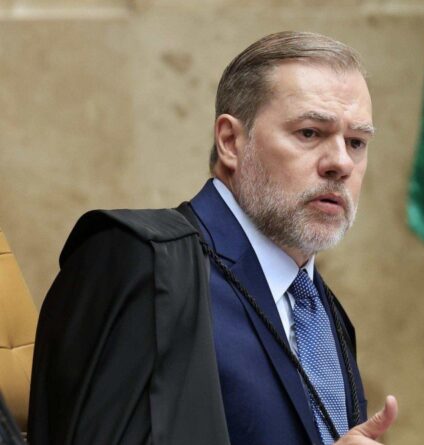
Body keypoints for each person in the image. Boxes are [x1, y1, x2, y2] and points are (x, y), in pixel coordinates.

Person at [28, 31, 397, 445]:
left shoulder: (322, 310)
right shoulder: (144, 261)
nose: (341, 163)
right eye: (310, 133)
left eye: (356, 142)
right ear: (230, 142)